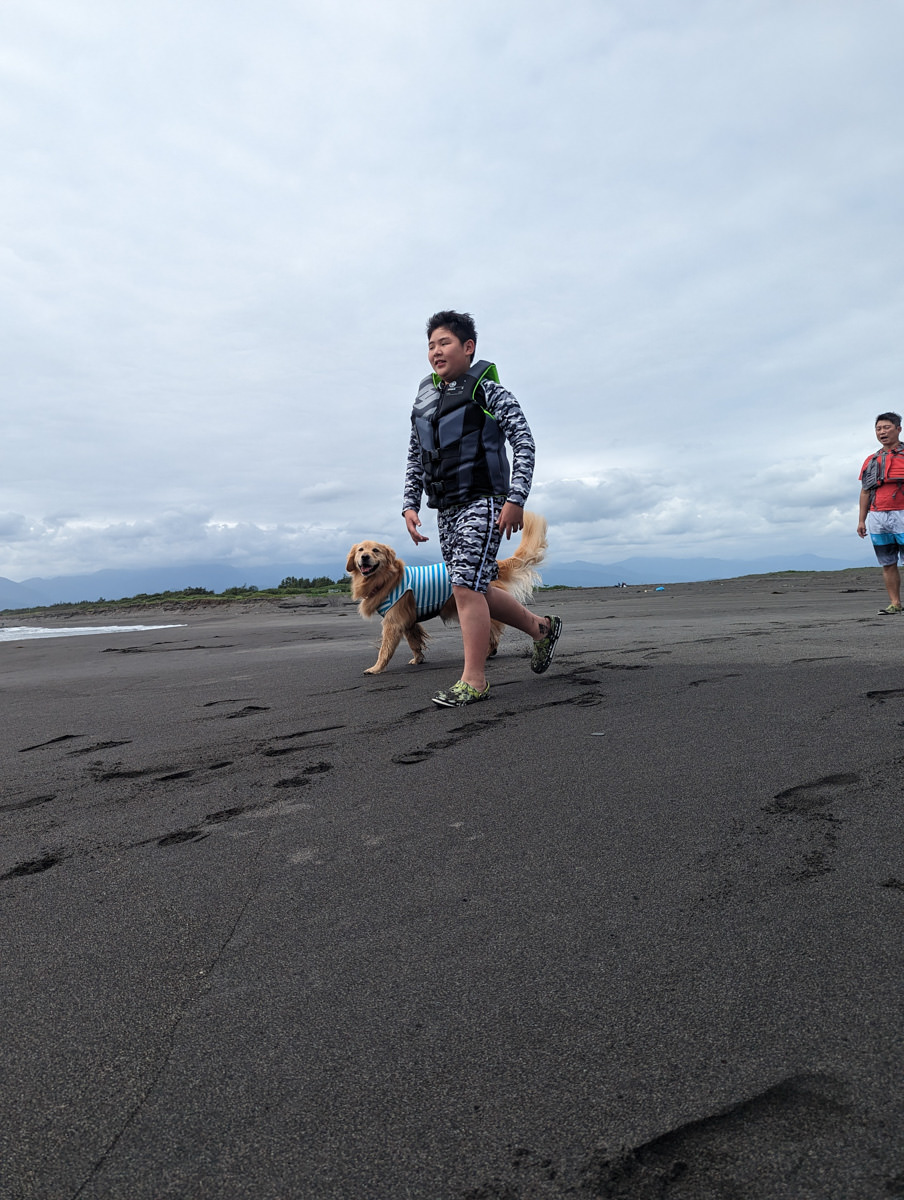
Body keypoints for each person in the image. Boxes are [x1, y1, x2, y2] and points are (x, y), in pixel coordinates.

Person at [402, 310, 561, 707]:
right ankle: (542, 629)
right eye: (431, 345)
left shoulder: (490, 393)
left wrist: (515, 499)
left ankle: (474, 680)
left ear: (468, 347)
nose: (436, 351)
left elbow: (524, 442)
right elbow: (415, 456)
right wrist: (410, 503)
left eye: (445, 343)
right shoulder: (425, 402)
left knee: (463, 587)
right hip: (447, 509)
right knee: (476, 585)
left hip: (485, 501)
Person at [857, 411, 904, 614]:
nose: (882, 432)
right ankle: (895, 603)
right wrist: (861, 520)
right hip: (878, 515)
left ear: (898, 429)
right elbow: (865, 491)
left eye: (886, 427)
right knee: (887, 562)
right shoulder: (871, 460)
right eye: (878, 429)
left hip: (902, 512)